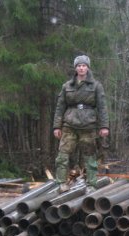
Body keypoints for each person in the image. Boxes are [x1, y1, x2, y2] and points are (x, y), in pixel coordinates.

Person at [52, 55, 109, 189]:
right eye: (79, 66)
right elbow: (60, 107)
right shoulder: (67, 86)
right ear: (75, 68)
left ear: (87, 68)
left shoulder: (96, 86)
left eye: (84, 66)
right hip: (69, 124)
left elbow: (102, 107)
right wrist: (56, 127)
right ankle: (60, 183)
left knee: (90, 157)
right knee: (62, 155)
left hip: (88, 125)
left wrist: (104, 126)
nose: (81, 68)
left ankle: (91, 184)